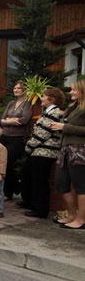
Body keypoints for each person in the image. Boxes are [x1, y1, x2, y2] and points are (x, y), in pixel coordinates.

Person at [20, 88, 65, 218]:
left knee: (40, 181)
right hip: (39, 151)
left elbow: (43, 133)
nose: (42, 98)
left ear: (51, 99)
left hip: (45, 152)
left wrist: (29, 147)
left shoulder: (54, 113)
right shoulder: (47, 112)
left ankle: (40, 210)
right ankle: (31, 203)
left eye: (44, 96)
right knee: (29, 175)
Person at [51, 79, 85, 229]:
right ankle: (71, 214)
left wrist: (65, 127)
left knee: (80, 185)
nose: (71, 92)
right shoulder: (74, 107)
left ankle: (81, 219)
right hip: (65, 149)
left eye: (74, 90)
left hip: (79, 150)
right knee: (61, 183)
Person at [0, 81, 33, 202]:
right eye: (14, 88)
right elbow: (1, 119)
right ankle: (14, 185)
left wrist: (8, 120)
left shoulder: (27, 103)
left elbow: (24, 120)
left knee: (7, 160)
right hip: (4, 135)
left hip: (18, 137)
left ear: (25, 90)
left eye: (19, 88)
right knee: (1, 161)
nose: (16, 90)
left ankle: (8, 191)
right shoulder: (11, 103)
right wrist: (9, 121)